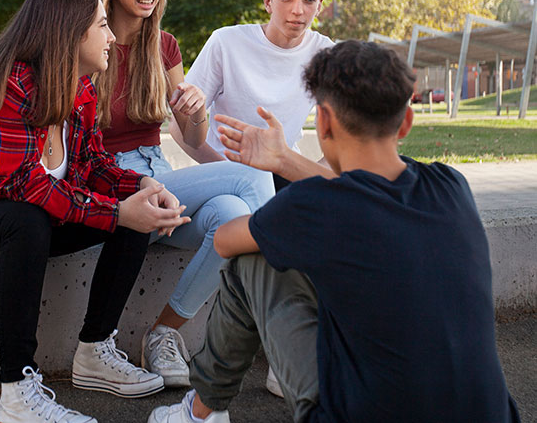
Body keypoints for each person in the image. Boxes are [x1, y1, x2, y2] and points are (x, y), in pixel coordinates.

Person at [148, 40, 521, 423]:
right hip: (492, 414)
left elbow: (226, 241)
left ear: (322, 123)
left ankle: (200, 413)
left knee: (251, 259)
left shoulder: (313, 207)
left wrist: (270, 189)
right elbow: (365, 196)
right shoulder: (450, 186)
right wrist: (284, 160)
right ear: (406, 121)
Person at [0, 0, 191, 423]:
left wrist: (144, 185)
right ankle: (17, 395)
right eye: (101, 27)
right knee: (28, 219)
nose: (112, 37)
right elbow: (25, 184)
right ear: (69, 36)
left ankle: (95, 351)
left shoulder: (78, 89)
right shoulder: (2, 86)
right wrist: (116, 212)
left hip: (19, 214)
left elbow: (94, 165)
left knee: (134, 207)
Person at [90, 0, 275, 389]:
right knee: (253, 177)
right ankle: (283, 333)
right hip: (113, 186)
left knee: (233, 213)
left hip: (159, 173)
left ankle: (164, 332)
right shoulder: (88, 40)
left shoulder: (165, 46)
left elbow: (190, 135)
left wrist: (195, 115)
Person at [170, 0, 334, 192]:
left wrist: (309, 180)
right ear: (268, 1)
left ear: (319, 5)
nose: (298, 11)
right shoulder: (226, 42)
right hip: (225, 173)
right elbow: (177, 127)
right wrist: (231, 176)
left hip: (286, 174)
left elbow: (351, 136)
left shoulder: (326, 53)